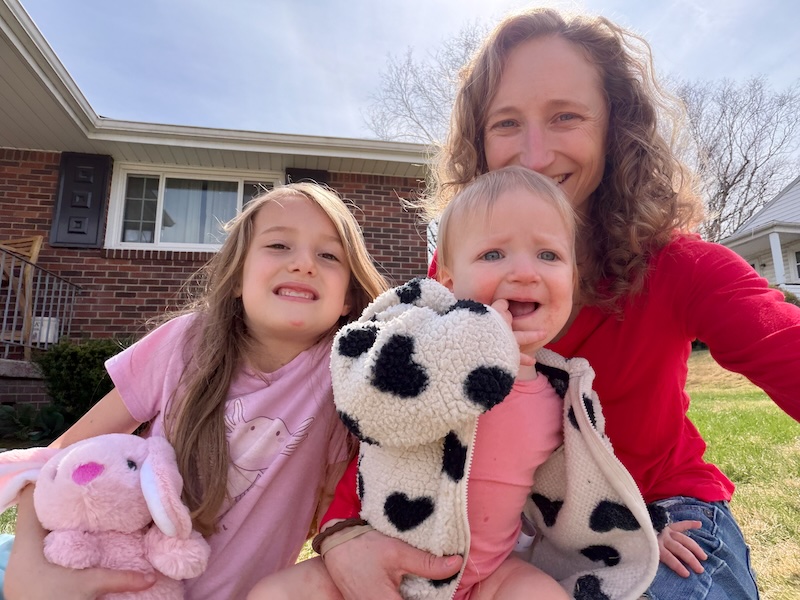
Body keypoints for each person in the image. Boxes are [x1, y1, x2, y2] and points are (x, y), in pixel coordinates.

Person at [317, 7, 800, 600]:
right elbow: (401, 406)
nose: (536, 154)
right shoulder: (461, 276)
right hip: (516, 532)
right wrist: (344, 530)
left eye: (565, 116)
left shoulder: (682, 265)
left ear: (615, 127)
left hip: (661, 514)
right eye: (506, 123)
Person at [248, 166, 660, 600]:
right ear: (448, 282)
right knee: (274, 595)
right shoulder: (421, 354)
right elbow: (372, 421)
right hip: (379, 558)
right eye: (493, 254)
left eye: (548, 255)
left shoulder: (565, 395)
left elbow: (584, 495)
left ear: (572, 280)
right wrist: (341, 534)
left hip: (488, 576)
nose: (525, 272)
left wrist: (636, 538)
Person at [1, 182, 389, 600]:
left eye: (329, 255)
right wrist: (27, 568)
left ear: (348, 298)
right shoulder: (184, 342)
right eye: (278, 245)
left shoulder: (347, 379)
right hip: (95, 580)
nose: (303, 264)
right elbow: (58, 457)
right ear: (237, 277)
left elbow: (339, 514)